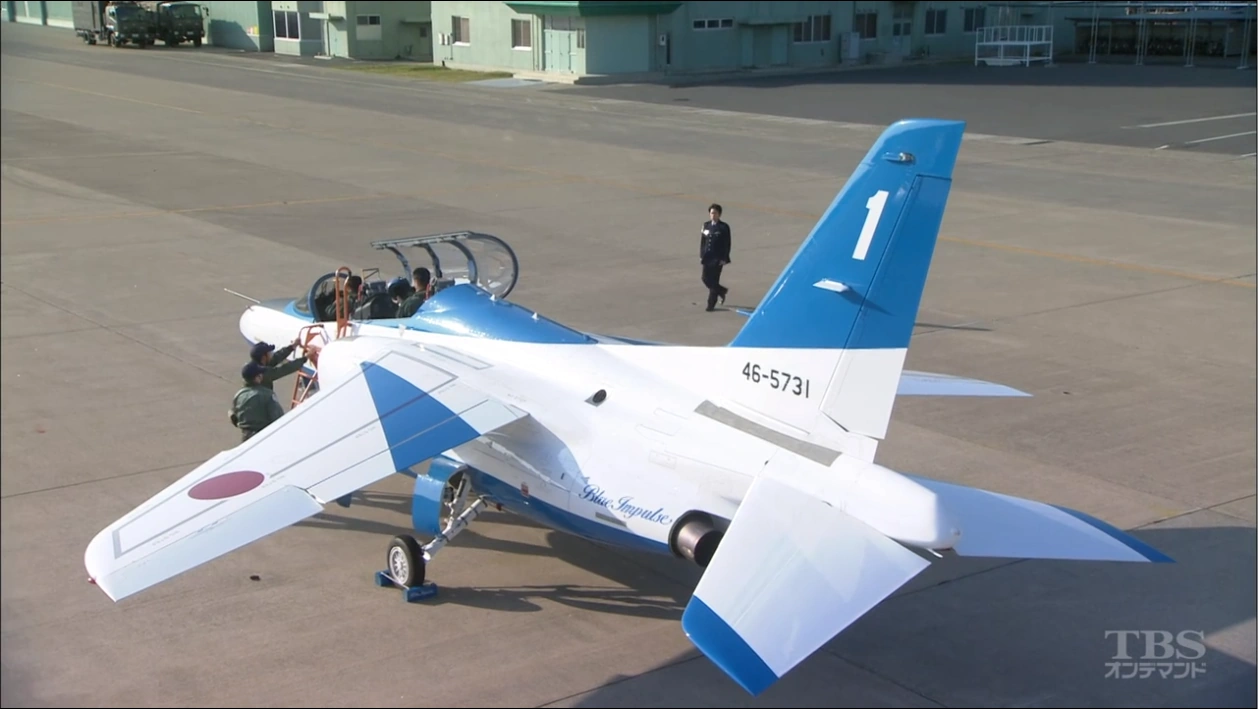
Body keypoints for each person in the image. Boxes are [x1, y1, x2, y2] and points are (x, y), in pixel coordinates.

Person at [230, 362, 285, 442]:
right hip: (263, 437)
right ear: (257, 378)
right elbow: (279, 418)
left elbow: (233, 415)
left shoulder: (239, 395)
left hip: (246, 436)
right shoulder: (268, 395)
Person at [699, 203, 731, 311]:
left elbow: (727, 244)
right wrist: (701, 255)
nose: (713, 215)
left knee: (714, 280)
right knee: (705, 278)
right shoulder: (706, 225)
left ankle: (711, 304)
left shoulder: (723, 227)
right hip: (707, 257)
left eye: (715, 213)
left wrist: (724, 258)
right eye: (711, 213)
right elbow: (703, 242)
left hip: (717, 258)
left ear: (719, 214)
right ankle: (721, 291)